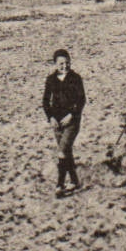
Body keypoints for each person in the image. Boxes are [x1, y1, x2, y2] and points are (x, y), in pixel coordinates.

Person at [42, 48, 87, 198]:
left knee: (62, 151)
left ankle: (59, 185)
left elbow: (81, 100)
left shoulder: (76, 78)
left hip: (72, 121)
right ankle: (74, 180)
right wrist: (51, 118)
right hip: (57, 122)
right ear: (55, 64)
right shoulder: (51, 79)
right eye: (61, 63)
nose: (64, 66)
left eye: (67, 63)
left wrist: (72, 115)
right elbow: (45, 101)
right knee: (66, 152)